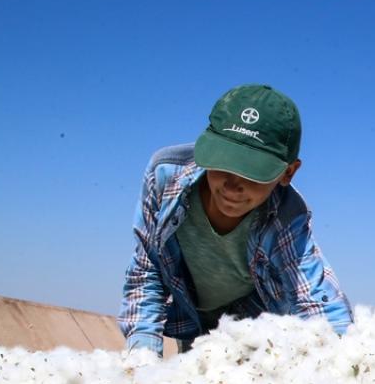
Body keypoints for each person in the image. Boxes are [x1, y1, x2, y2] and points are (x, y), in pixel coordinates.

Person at [119, 84, 353, 356]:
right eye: (223, 164)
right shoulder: (166, 176)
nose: (233, 185)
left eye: (252, 173)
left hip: (251, 327)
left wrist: (345, 364)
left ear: (287, 173)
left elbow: (317, 303)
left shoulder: (287, 218)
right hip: (190, 314)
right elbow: (148, 270)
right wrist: (142, 358)